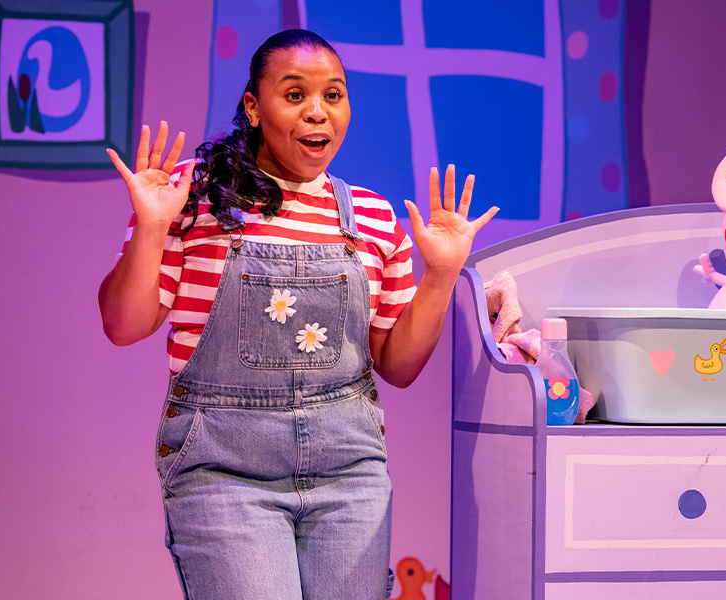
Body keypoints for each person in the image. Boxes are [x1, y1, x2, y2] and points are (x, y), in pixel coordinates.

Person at [98, 29, 496, 599]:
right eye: (294, 95)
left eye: (333, 96)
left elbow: (399, 366)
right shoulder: (194, 196)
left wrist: (440, 275)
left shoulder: (375, 218)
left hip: (349, 471)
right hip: (224, 470)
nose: (318, 112)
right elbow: (123, 324)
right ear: (253, 107)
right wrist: (154, 226)